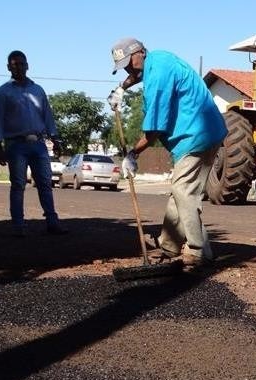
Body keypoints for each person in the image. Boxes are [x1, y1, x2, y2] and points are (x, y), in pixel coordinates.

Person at [107, 38, 227, 268]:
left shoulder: (158, 77)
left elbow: (153, 131)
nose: (128, 68)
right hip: (203, 132)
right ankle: (170, 245)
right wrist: (122, 88)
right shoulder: (157, 60)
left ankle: (198, 251)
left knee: (183, 191)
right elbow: (138, 75)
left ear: (140, 52)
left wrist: (133, 153)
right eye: (124, 66)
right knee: (181, 192)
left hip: (196, 135)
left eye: (129, 61)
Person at [0, 50, 67, 238]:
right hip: (16, 145)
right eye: (14, 64)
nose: (18, 67)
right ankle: (18, 226)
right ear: (8, 67)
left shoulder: (37, 90)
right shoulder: (1, 93)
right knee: (18, 185)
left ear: (27, 65)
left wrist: (55, 139)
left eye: (21, 64)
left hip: (39, 144)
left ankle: (52, 222)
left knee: (45, 184)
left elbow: (47, 116)